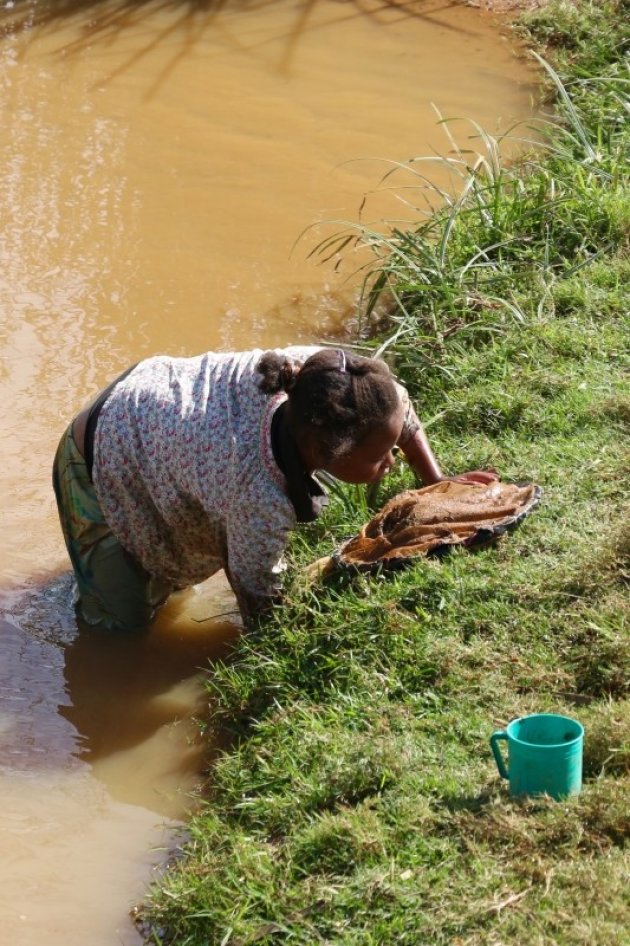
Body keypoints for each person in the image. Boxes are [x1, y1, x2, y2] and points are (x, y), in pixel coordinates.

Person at [53, 345, 495, 631]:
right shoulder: (257, 493)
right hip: (101, 452)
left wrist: (436, 481)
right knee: (119, 625)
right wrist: (281, 637)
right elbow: (256, 594)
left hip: (157, 411)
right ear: (326, 449)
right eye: (379, 457)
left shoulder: (329, 379)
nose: (392, 463)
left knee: (170, 579)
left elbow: (398, 409)